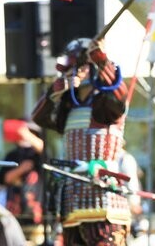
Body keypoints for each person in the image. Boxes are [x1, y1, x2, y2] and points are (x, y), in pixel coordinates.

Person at [32, 37, 130, 246]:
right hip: (73, 201)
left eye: (81, 67)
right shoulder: (67, 107)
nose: (76, 72)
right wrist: (57, 89)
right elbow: (39, 116)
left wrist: (103, 61)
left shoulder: (105, 104)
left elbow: (119, 95)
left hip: (104, 197)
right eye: (72, 68)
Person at [0, 121, 45, 242]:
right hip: (14, 215)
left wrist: (26, 134)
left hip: (36, 218)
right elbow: (3, 179)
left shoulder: (37, 154)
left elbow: (44, 149)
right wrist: (22, 169)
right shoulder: (12, 155)